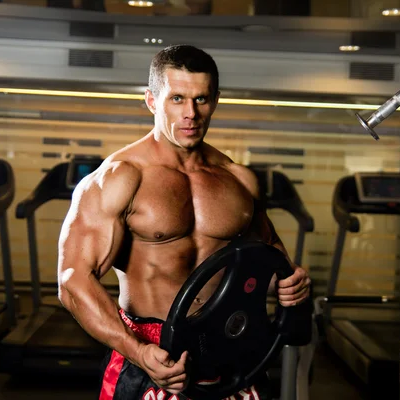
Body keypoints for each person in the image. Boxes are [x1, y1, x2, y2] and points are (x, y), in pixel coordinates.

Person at [57, 44, 311, 400]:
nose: (190, 113)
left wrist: (288, 284)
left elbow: (268, 262)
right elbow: (72, 282)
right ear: (151, 100)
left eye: (201, 100)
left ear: (216, 100)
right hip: (152, 354)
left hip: (231, 351)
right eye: (177, 99)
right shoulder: (119, 178)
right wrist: (137, 351)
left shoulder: (238, 179)